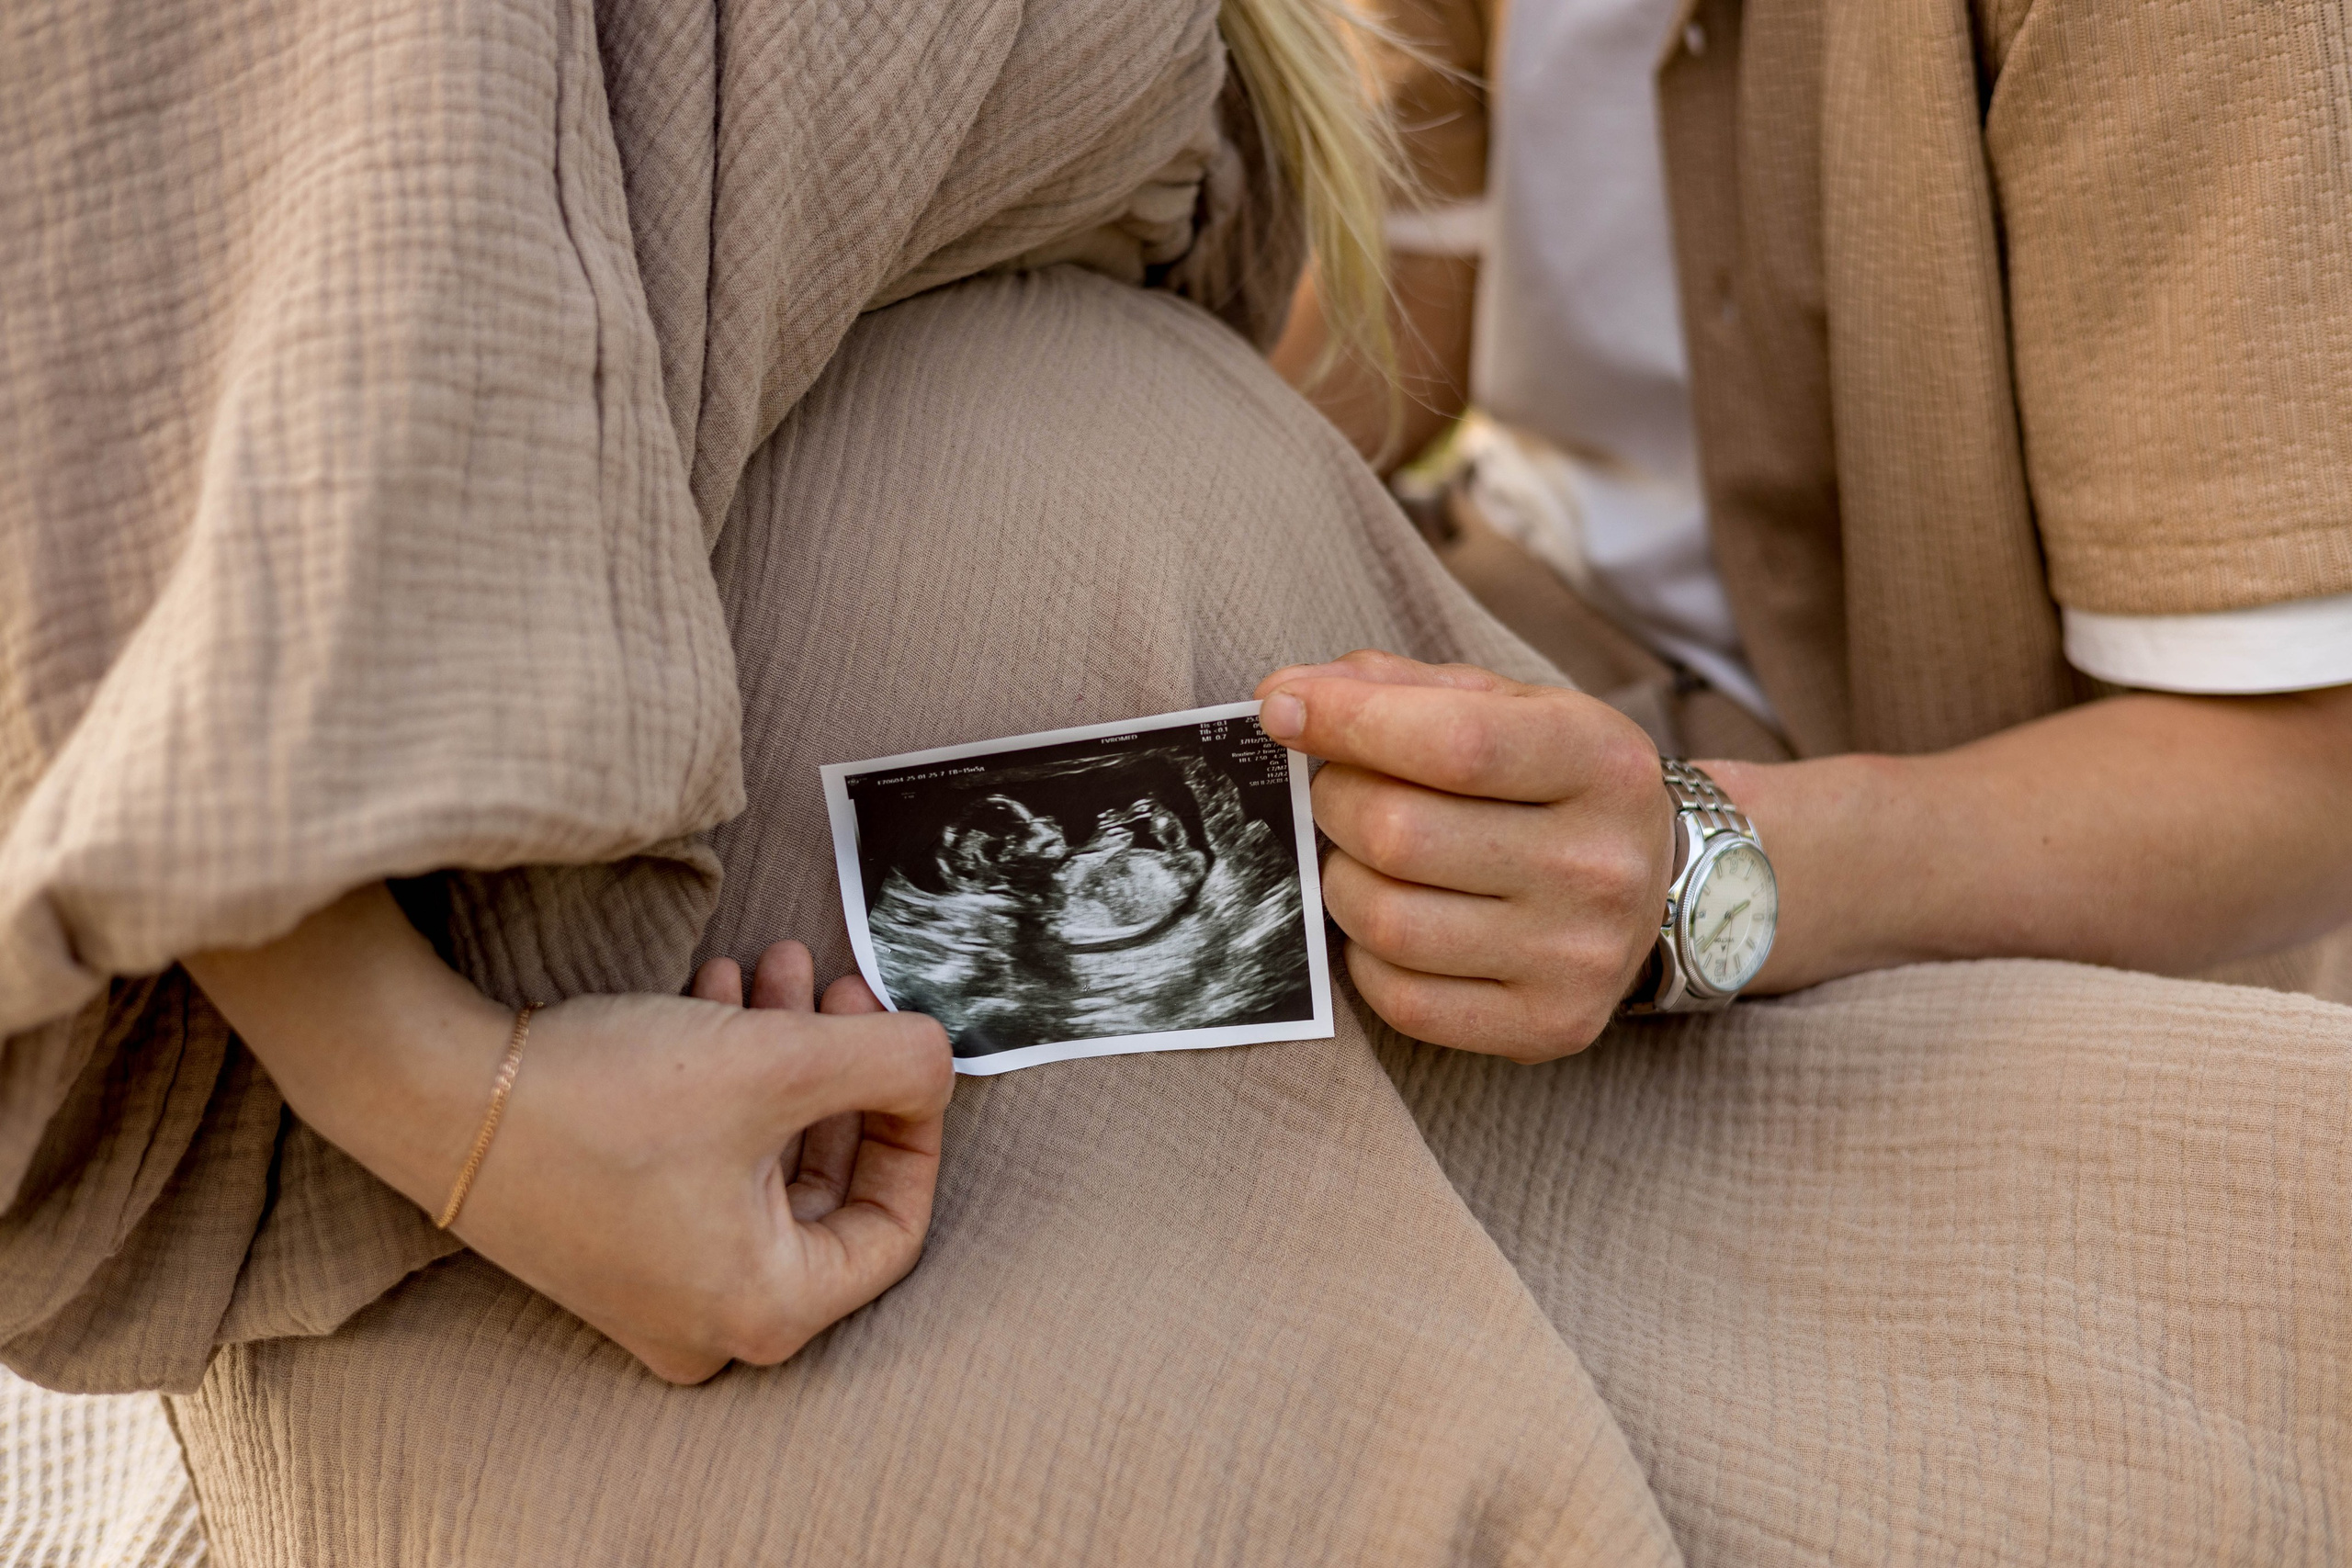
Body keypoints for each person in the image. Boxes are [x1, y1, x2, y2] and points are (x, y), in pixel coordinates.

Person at [2, 0, 2345, 1563]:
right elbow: (1374, 360)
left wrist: (1713, 868)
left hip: (1836, 870)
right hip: (1410, 815)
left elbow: (2295, 771)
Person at [1261, 0, 2352, 1066]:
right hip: (1513, 631)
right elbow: (1399, 345)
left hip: (1949, 869)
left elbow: (2309, 776)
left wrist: (1689, 870)